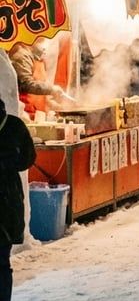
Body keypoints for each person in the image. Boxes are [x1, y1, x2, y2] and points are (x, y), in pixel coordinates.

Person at [0, 96, 35, 301]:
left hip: (6, 198)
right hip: (8, 199)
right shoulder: (14, 124)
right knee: (2, 261)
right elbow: (28, 159)